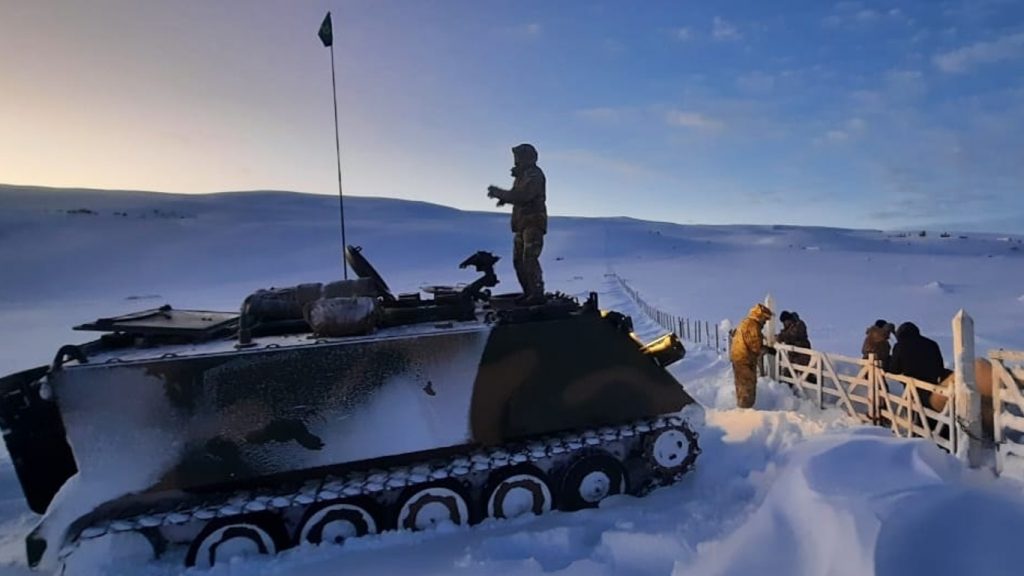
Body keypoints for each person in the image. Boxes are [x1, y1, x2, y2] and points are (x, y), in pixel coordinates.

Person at [487, 143, 547, 305]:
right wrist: (504, 198)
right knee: (518, 261)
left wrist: (501, 194)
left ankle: (536, 294)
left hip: (533, 223)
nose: (516, 160)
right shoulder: (522, 176)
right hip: (522, 224)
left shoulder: (534, 174)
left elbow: (524, 195)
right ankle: (529, 292)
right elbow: (518, 196)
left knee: (529, 258)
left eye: (519, 157)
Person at [889, 321, 945, 408]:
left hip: (912, 385)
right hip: (931, 383)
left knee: (914, 410)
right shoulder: (932, 344)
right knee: (930, 411)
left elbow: (894, 369)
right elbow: (940, 365)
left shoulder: (900, 346)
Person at [730, 303, 774, 409]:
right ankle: (746, 413)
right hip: (745, 360)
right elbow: (755, 346)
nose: (765, 322)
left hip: (739, 358)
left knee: (741, 387)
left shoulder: (745, 322)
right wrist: (768, 349)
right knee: (747, 388)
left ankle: (742, 409)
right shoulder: (753, 325)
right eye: (765, 319)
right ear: (761, 316)